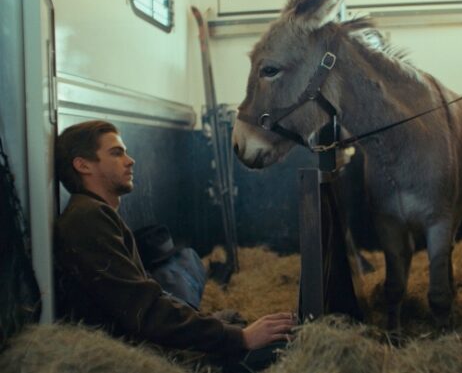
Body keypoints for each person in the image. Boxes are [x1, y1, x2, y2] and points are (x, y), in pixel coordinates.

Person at [54, 120, 295, 371]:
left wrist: (226, 330)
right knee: (270, 351)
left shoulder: (96, 213)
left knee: (240, 322)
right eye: (116, 153)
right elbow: (145, 310)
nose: (130, 160)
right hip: (128, 357)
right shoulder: (87, 219)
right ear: (82, 165)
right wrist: (240, 337)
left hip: (143, 343)